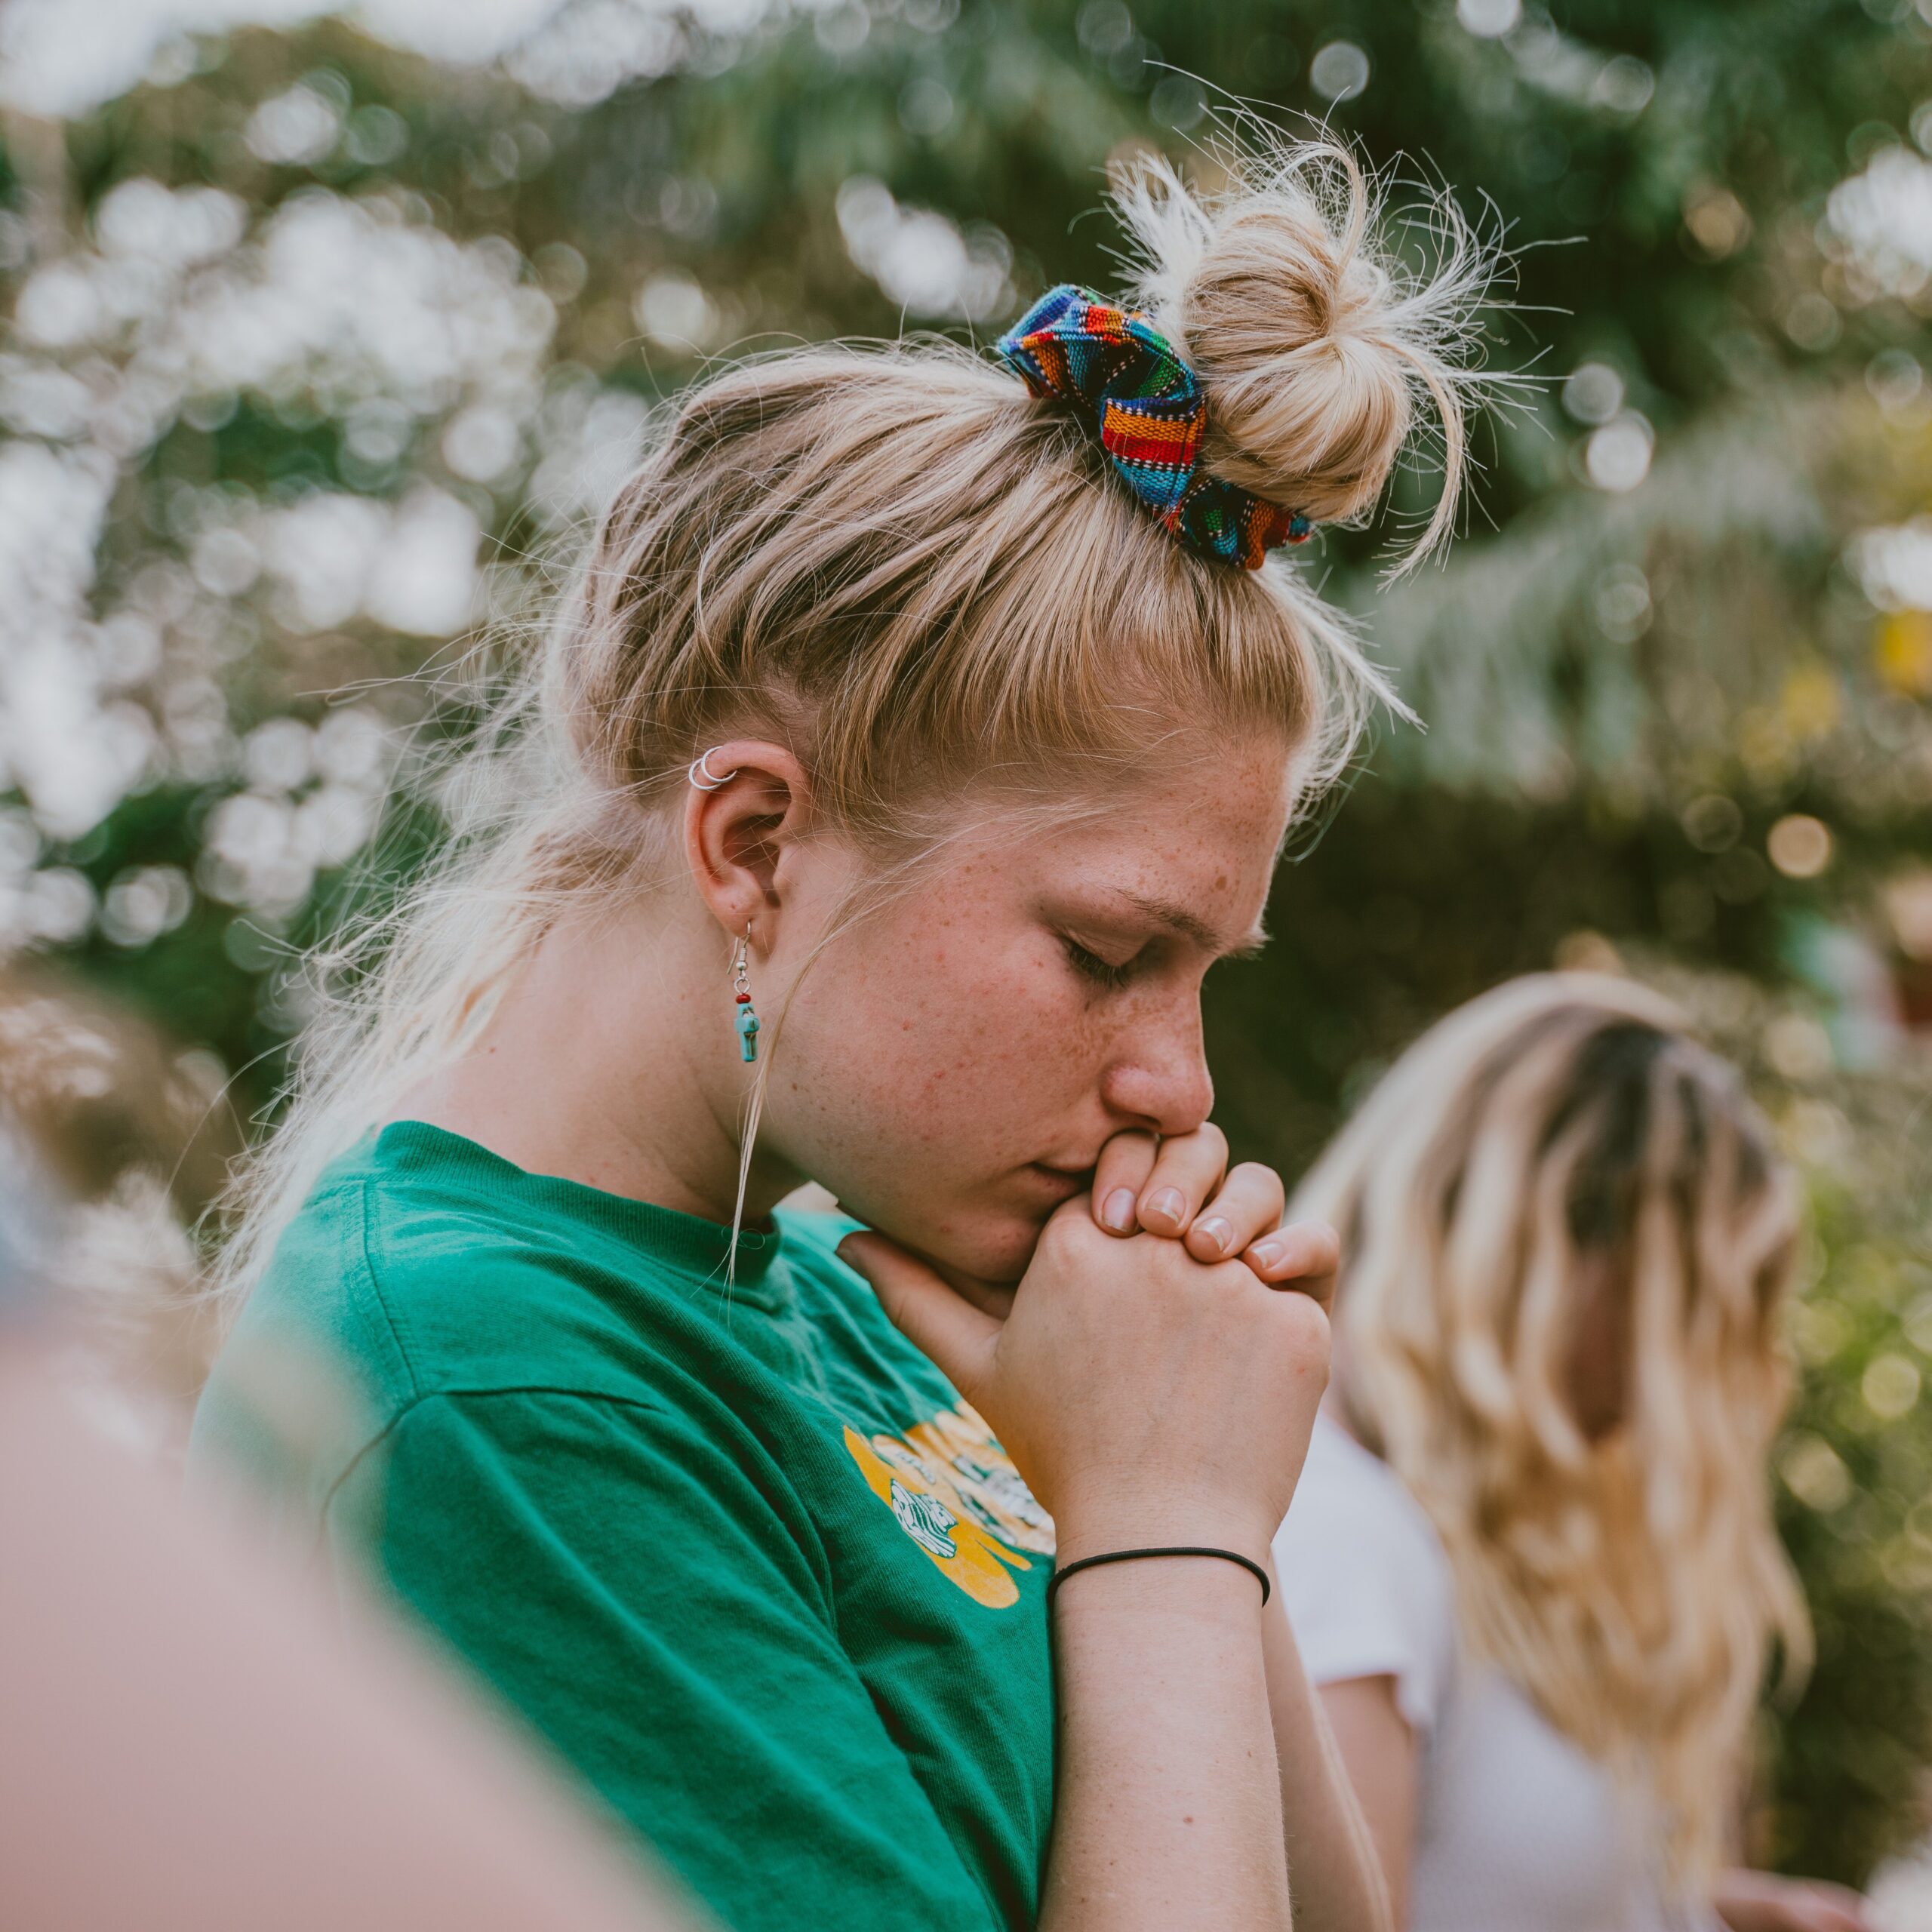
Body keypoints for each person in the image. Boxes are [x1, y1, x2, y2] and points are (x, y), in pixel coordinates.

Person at [192, 134, 1492, 1932]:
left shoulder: (848, 1290)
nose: (1175, 1082)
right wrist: (1164, 1544)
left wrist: (1181, 1483)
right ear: (753, 843)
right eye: (1109, 948)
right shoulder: (501, 1386)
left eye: (1205, 974)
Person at [1272, 974, 1871, 1932]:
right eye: (1689, 1313)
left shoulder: (1440, 1532)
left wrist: (1697, 1912)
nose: (1669, 1387)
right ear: (1550, 1248)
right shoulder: (1339, 1536)